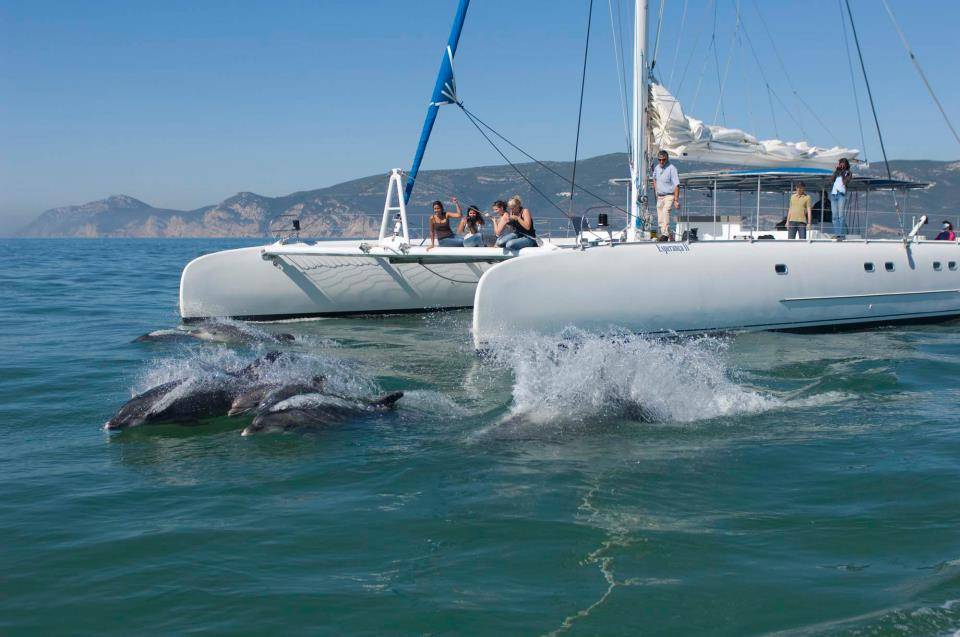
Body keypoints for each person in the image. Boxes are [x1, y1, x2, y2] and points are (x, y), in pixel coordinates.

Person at [650, 150, 680, 239]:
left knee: (665, 211)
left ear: (667, 159)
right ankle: (667, 233)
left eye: (663, 160)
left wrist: (676, 200)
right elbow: (654, 178)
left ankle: (665, 234)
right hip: (659, 196)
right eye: (659, 160)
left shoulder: (672, 168)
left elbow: (677, 185)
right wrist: (656, 190)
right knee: (660, 218)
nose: (661, 162)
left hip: (669, 195)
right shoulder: (656, 168)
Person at [829, 157, 853, 239]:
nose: (841, 165)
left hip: (841, 195)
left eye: (843, 163)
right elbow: (831, 180)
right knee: (834, 216)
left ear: (846, 165)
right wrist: (836, 171)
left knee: (841, 216)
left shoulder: (848, 173)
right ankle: (837, 234)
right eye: (840, 163)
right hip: (834, 194)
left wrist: (842, 172)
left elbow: (845, 182)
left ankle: (841, 234)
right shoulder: (837, 172)